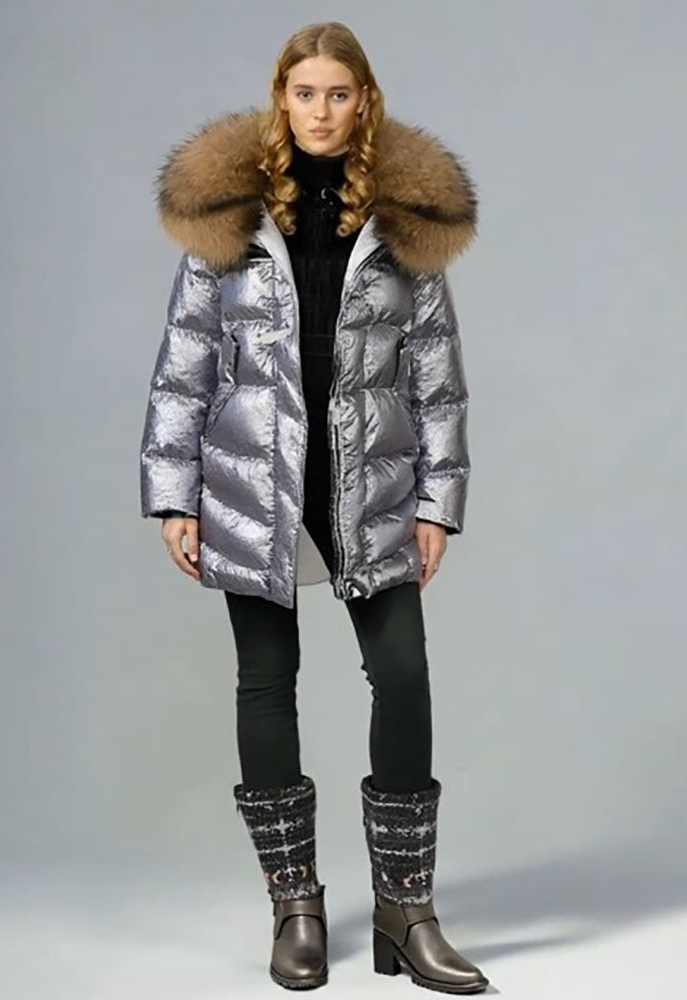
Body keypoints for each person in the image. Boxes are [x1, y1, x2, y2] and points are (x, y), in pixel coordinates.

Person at [139, 20, 488, 995]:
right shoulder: (230, 217)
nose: (321, 112)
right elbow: (184, 366)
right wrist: (172, 495)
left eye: (339, 94)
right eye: (305, 94)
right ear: (280, 99)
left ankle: (406, 910)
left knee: (403, 674)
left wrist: (438, 503)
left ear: (362, 100)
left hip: (369, 480)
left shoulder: (404, 221)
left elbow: (436, 378)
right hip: (254, 478)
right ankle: (294, 907)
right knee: (266, 679)